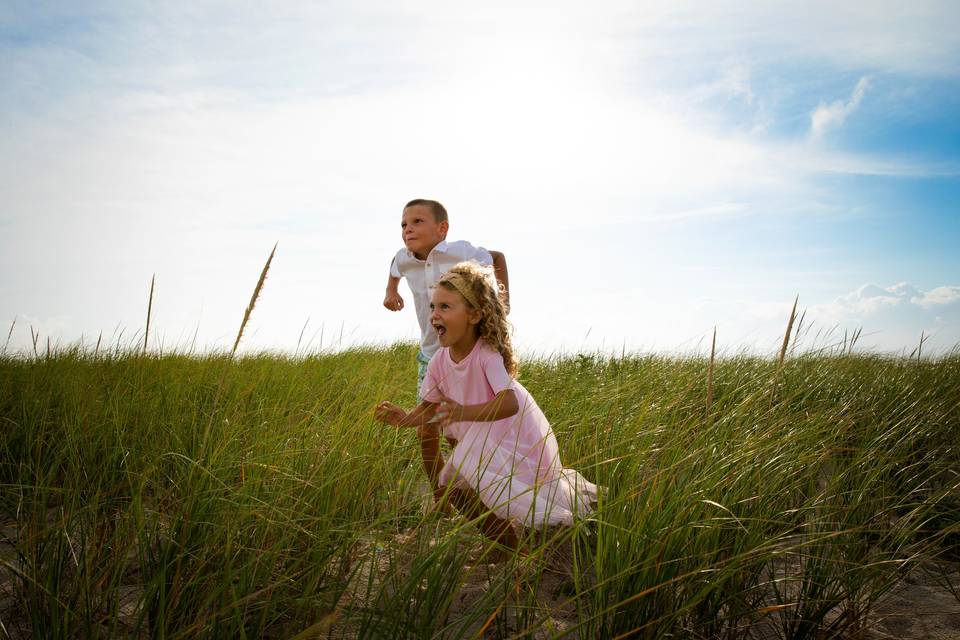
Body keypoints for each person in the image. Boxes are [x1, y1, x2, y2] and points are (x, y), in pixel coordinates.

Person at [375, 262, 598, 550]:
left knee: (515, 493)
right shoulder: (438, 362)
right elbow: (430, 406)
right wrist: (405, 420)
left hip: (510, 436)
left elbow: (509, 402)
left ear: (474, 315)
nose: (434, 316)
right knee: (454, 491)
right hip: (477, 441)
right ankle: (507, 543)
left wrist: (461, 413)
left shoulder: (486, 355)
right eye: (432, 307)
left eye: (445, 307)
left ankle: (553, 538)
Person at [383, 199, 509, 393]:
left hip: (467, 351)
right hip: (430, 351)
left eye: (417, 221)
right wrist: (391, 290)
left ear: (442, 228)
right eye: (404, 224)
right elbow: (396, 264)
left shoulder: (459, 252)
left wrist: (503, 301)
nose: (408, 229)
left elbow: (497, 257)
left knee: (471, 409)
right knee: (427, 414)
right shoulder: (404, 258)